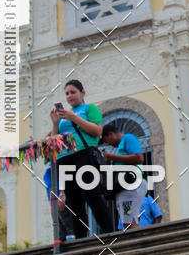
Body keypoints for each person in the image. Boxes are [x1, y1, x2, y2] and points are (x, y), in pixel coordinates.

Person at [50, 79, 114, 239]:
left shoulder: (89, 109)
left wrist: (74, 117)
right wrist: (55, 123)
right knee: (74, 202)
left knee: (92, 194)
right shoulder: (64, 117)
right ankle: (80, 238)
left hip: (83, 155)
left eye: (73, 92)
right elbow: (54, 141)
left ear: (82, 92)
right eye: (67, 93)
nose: (69, 96)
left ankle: (109, 232)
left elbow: (97, 131)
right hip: (64, 158)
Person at [101, 121, 149, 230]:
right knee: (130, 221)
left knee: (129, 223)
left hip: (131, 185)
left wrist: (112, 157)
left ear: (111, 134)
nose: (108, 144)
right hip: (126, 187)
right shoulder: (119, 147)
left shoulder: (128, 138)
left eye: (106, 141)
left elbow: (139, 158)